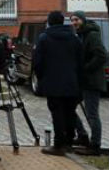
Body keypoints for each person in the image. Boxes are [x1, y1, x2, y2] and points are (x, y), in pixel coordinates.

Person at [33, 11, 83, 156]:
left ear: (49, 22)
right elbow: (81, 62)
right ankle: (68, 142)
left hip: (52, 83)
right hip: (72, 82)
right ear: (63, 22)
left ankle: (59, 144)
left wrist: (43, 78)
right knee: (70, 113)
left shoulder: (44, 38)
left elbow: (37, 63)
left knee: (57, 114)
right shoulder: (74, 39)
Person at [70, 11, 107, 156]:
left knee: (92, 114)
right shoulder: (81, 35)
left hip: (92, 82)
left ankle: (95, 145)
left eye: (77, 20)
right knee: (68, 107)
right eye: (72, 20)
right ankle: (82, 135)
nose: (74, 23)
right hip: (83, 81)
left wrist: (85, 69)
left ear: (83, 20)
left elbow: (101, 55)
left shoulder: (92, 35)